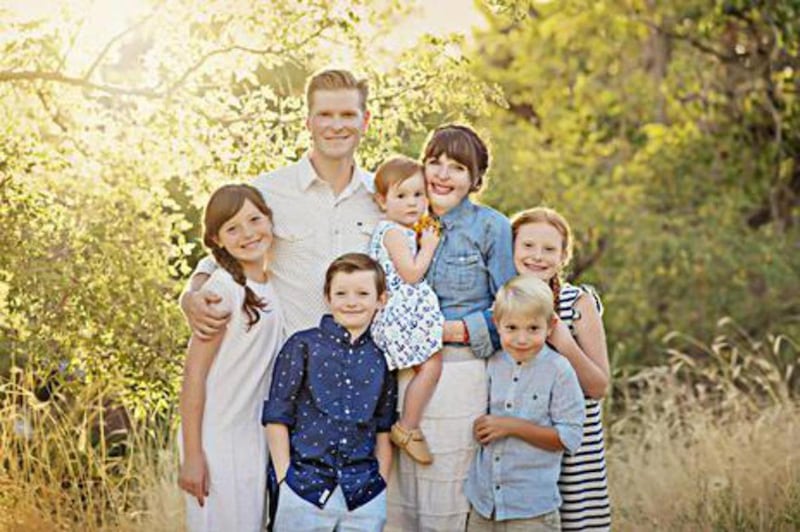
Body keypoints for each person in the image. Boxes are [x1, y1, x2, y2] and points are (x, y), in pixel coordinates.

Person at [181, 68, 380, 338]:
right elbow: (221, 254)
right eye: (324, 115)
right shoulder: (267, 191)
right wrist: (190, 296)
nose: (336, 126)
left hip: (370, 359)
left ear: (365, 121)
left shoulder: (384, 198)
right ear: (308, 122)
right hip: (291, 358)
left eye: (347, 115)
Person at [386, 124, 517, 532]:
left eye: (457, 167)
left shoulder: (491, 227)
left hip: (459, 374)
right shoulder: (400, 221)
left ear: (475, 178)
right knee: (400, 499)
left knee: (446, 493)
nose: (442, 175)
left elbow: (511, 312)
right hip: (400, 374)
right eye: (435, 162)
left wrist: (454, 330)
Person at [263, 253, 397, 531]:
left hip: (363, 496)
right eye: (341, 293)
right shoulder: (302, 346)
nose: (351, 302)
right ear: (327, 297)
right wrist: (285, 480)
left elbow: (383, 428)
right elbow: (277, 416)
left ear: (381, 299)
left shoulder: (381, 359)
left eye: (363, 293)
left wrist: (381, 483)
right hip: (303, 490)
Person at [178, 184, 284, 531]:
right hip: (215, 440)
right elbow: (194, 375)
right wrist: (193, 455)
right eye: (233, 228)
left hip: (252, 436)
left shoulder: (271, 285)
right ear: (217, 239)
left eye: (255, 219)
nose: (248, 234)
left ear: (269, 219)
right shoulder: (221, 291)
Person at [511, 207, 612, 531]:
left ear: (563, 256)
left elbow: (599, 387)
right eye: (528, 245)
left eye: (549, 249)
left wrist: (565, 343)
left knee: (576, 522)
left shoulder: (577, 303)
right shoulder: (502, 303)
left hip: (574, 455)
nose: (537, 256)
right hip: (521, 449)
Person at [465, 275, 585, 531]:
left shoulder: (559, 370)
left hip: (532, 511)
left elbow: (570, 437)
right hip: (484, 506)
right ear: (497, 325)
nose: (522, 339)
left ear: (550, 326)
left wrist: (511, 426)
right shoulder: (492, 363)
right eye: (511, 328)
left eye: (533, 328)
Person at [369, 155, 444, 466]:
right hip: (398, 314)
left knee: (426, 366)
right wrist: (429, 247)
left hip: (403, 312)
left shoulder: (402, 230)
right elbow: (411, 274)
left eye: (418, 194)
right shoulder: (393, 232)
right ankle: (407, 427)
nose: (412, 203)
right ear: (381, 200)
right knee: (431, 365)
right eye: (401, 195)